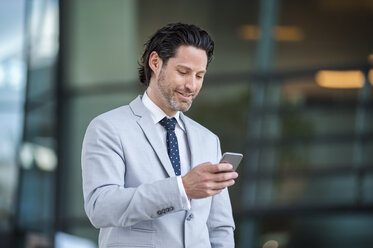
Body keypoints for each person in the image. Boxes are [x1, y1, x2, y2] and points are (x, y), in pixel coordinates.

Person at [82, 22, 238, 248]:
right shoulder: (108, 128)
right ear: (155, 62)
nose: (191, 85)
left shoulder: (208, 140)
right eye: (183, 72)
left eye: (199, 76)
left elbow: (220, 227)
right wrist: (181, 188)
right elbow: (100, 208)